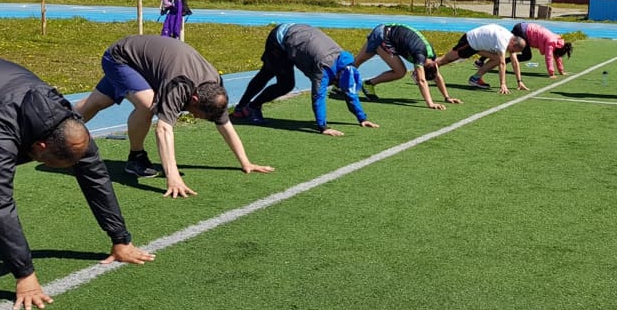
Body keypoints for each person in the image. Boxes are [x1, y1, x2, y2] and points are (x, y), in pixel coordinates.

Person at [0, 55, 155, 310]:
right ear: (40, 146)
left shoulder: (70, 127)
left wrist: (120, 239)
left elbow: (95, 177)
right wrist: (25, 275)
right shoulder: (0, 131)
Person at [75, 35, 274, 199]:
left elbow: (225, 124)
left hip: (141, 63)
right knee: (148, 105)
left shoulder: (215, 91)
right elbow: (163, 129)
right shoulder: (179, 86)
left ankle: (59, 127)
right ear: (194, 99)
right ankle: (136, 158)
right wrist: (173, 176)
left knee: (96, 103)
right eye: (197, 114)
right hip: (121, 58)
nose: (195, 117)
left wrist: (245, 162)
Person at [230, 23, 380, 136]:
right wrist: (323, 127)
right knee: (281, 82)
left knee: (271, 75)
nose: (335, 85)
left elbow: (350, 92)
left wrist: (362, 118)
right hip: (280, 39)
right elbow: (318, 97)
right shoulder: (324, 68)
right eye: (336, 84)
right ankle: (251, 107)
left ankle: (241, 109)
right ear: (337, 76)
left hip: (297, 37)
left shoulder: (347, 66)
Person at [353, 23, 462, 110]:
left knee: (358, 61)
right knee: (400, 71)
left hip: (385, 31)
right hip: (383, 36)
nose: (416, 77)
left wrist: (447, 97)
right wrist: (430, 103)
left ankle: (347, 83)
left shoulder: (431, 59)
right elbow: (422, 81)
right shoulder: (420, 56)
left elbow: (437, 76)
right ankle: (368, 84)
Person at [435, 23, 528, 95]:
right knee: (445, 60)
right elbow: (502, 63)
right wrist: (503, 84)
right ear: (513, 43)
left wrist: (519, 82)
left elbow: (515, 62)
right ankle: (428, 67)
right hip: (469, 42)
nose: (511, 52)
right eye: (513, 50)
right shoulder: (503, 41)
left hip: (478, 47)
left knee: (497, 59)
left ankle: (475, 78)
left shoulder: (510, 39)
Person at [476, 22, 573, 79]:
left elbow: (557, 57)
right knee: (525, 55)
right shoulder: (551, 41)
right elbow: (549, 57)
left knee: (504, 44)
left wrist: (561, 71)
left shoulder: (557, 41)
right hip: (522, 30)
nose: (557, 56)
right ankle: (494, 60)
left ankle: (480, 60)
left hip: (522, 27)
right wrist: (551, 73)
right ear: (559, 49)